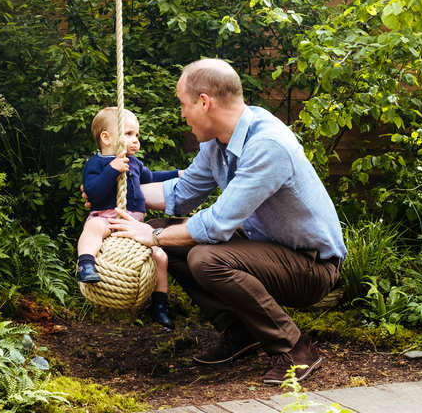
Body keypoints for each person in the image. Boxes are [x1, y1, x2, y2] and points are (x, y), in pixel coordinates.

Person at [107, 58, 347, 384]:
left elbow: (218, 223)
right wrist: (112, 193)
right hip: (265, 251)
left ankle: (296, 348)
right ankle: (241, 330)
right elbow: (182, 192)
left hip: (311, 266)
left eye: (183, 104)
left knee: (204, 257)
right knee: (168, 235)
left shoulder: (268, 145)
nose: (182, 114)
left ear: (204, 102)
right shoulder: (216, 143)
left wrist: (153, 237)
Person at [77, 106, 180, 329]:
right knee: (93, 226)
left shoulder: (134, 163)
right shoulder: (96, 164)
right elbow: (93, 193)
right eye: (129, 134)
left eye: (137, 135)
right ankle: (85, 264)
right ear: (106, 138)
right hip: (107, 218)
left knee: (160, 257)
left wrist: (177, 173)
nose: (136, 140)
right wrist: (112, 169)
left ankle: (160, 304)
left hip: (134, 225)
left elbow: (151, 177)